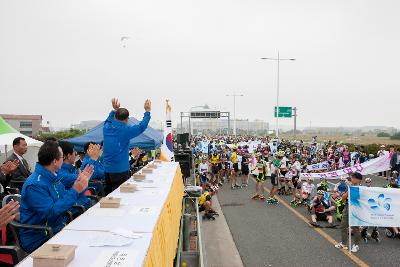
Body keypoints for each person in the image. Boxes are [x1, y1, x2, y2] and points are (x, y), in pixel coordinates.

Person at [19, 141, 94, 253]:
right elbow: (51, 213)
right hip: (40, 237)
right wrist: (75, 190)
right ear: (55, 161)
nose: (63, 159)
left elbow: (65, 200)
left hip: (57, 228)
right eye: (61, 157)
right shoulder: (35, 185)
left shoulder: (53, 177)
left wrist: (80, 187)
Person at [103, 98, 151, 194]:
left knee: (109, 197)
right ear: (126, 119)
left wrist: (114, 110)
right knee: (121, 196)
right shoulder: (125, 130)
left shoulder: (106, 127)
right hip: (120, 170)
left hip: (107, 170)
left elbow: (109, 119)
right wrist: (147, 112)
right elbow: (142, 126)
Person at [58, 141, 91, 209]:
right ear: (68, 156)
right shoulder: (65, 175)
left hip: (79, 205)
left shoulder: (71, 170)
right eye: (75, 153)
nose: (76, 155)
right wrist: (93, 159)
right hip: (77, 209)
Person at [335, 172, 363, 253]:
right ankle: (344, 243)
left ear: (358, 179)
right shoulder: (349, 187)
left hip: (356, 208)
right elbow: (343, 198)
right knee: (343, 225)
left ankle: (356, 245)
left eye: (352, 178)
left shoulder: (362, 188)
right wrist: (349, 189)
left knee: (355, 227)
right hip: (347, 207)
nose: (351, 179)